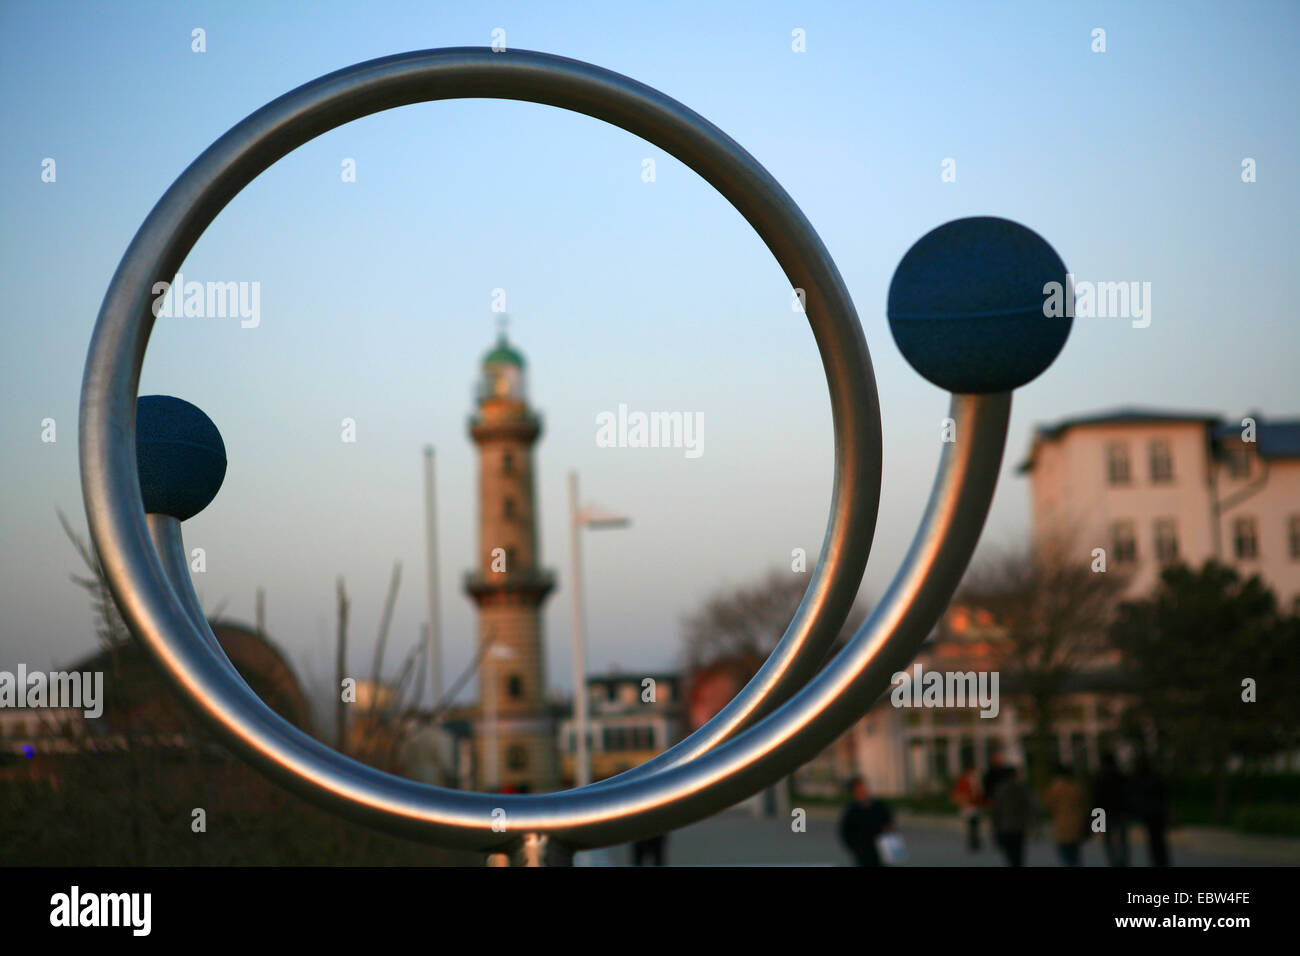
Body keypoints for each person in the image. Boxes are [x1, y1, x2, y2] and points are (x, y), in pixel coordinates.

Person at [838, 777, 894, 866]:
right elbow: (845, 833)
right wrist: (856, 848)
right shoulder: (852, 811)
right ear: (854, 792)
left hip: (881, 850)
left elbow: (888, 822)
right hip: (863, 853)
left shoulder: (879, 806)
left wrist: (888, 831)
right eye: (859, 788)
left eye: (863, 787)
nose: (862, 790)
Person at [1042, 763, 1089, 866]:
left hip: (1061, 825)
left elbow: (1047, 805)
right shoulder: (1077, 787)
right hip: (1076, 825)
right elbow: (1084, 805)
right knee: (1075, 855)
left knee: (1065, 855)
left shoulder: (1055, 787)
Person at [990, 764, 1036, 866]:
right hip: (1019, 826)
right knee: (1018, 854)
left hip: (1005, 827)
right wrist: (1032, 823)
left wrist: (995, 827)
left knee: (1009, 854)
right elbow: (1029, 807)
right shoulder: (1022, 789)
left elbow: (997, 811)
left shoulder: (1000, 790)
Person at [1130, 754, 1171, 867]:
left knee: (1155, 841)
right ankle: (1161, 861)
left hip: (1150, 813)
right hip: (1156, 813)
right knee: (1158, 841)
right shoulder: (1155, 777)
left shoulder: (1140, 778)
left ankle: (1159, 861)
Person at [1093, 752, 1130, 866]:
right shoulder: (1120, 777)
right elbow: (1127, 795)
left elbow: (1097, 799)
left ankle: (1113, 861)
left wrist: (1096, 820)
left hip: (1105, 814)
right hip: (1120, 812)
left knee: (1108, 841)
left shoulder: (1100, 778)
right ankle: (1122, 861)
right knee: (1122, 840)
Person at [950, 762, 984, 851]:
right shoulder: (963, 781)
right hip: (968, 807)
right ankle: (973, 843)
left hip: (976, 806)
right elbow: (957, 793)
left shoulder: (976, 781)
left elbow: (979, 794)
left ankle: (975, 842)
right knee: (971, 826)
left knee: (975, 825)